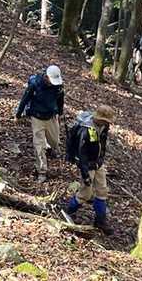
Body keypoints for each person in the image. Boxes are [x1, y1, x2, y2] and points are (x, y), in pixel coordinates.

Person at [62, 104, 116, 235]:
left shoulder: (104, 126)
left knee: (102, 190)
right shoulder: (86, 130)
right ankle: (67, 212)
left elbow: (102, 144)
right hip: (86, 164)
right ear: (99, 119)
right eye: (105, 121)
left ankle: (100, 221)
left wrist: (100, 160)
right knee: (85, 194)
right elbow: (82, 154)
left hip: (97, 163)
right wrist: (85, 174)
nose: (107, 124)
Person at [15, 64, 65, 183]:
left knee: (55, 142)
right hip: (37, 117)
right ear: (46, 77)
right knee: (39, 146)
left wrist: (60, 113)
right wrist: (18, 114)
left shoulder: (58, 87)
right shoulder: (35, 84)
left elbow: (60, 100)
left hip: (51, 116)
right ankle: (42, 171)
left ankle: (51, 150)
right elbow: (25, 99)